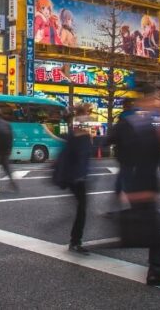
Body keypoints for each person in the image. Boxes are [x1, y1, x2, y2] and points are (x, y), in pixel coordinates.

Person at [109, 85, 160, 289]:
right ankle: (156, 272)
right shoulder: (142, 125)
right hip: (140, 185)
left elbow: (110, 140)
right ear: (144, 101)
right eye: (154, 100)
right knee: (156, 233)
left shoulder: (145, 124)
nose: (156, 104)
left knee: (155, 232)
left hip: (141, 183)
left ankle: (156, 271)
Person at [56, 105, 93, 254]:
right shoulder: (82, 129)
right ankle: (75, 241)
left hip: (72, 174)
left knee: (81, 207)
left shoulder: (74, 128)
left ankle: (75, 240)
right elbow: (82, 153)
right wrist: (80, 175)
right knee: (82, 208)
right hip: (77, 176)